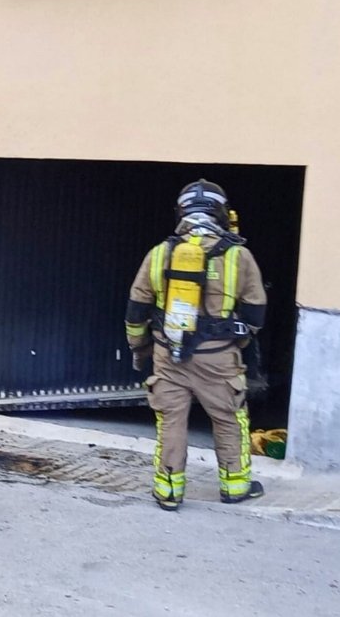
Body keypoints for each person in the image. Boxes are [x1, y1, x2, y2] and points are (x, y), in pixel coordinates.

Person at [124, 180, 267, 511]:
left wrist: (140, 349)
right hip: (218, 359)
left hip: (168, 355)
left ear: (182, 212)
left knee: (170, 421)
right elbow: (255, 313)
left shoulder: (160, 253)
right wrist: (236, 340)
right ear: (221, 213)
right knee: (229, 418)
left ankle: (168, 490)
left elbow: (136, 309)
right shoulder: (238, 256)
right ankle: (235, 486)